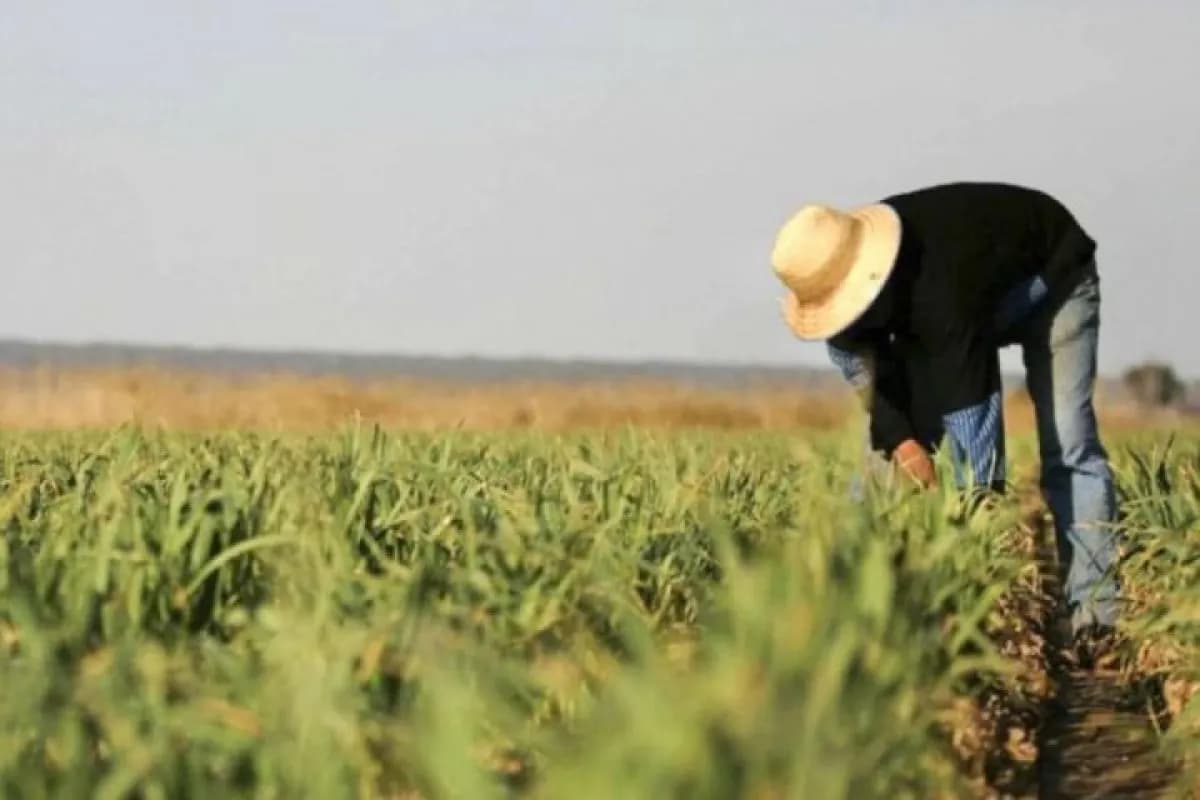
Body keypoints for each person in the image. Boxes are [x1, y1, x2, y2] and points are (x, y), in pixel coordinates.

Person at [769, 182, 1118, 663]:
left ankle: (1093, 621)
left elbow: (977, 439)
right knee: (879, 468)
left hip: (1051, 279)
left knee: (1068, 442)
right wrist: (909, 450)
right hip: (965, 305)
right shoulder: (844, 318)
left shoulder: (939, 293)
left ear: (868, 280)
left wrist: (969, 543)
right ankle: (858, 614)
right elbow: (877, 396)